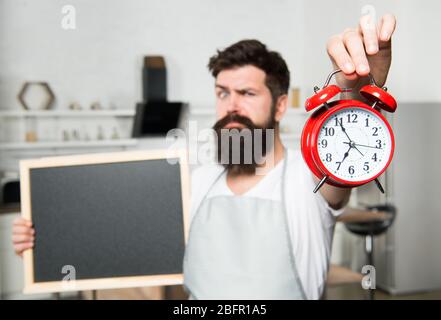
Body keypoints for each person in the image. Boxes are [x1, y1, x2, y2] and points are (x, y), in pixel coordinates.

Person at [12, 13, 396, 300]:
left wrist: (355, 95)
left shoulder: (309, 178)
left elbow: (344, 164)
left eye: (246, 93)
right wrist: (46, 240)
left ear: (280, 106)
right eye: (222, 92)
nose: (231, 106)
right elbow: (120, 238)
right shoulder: (194, 180)